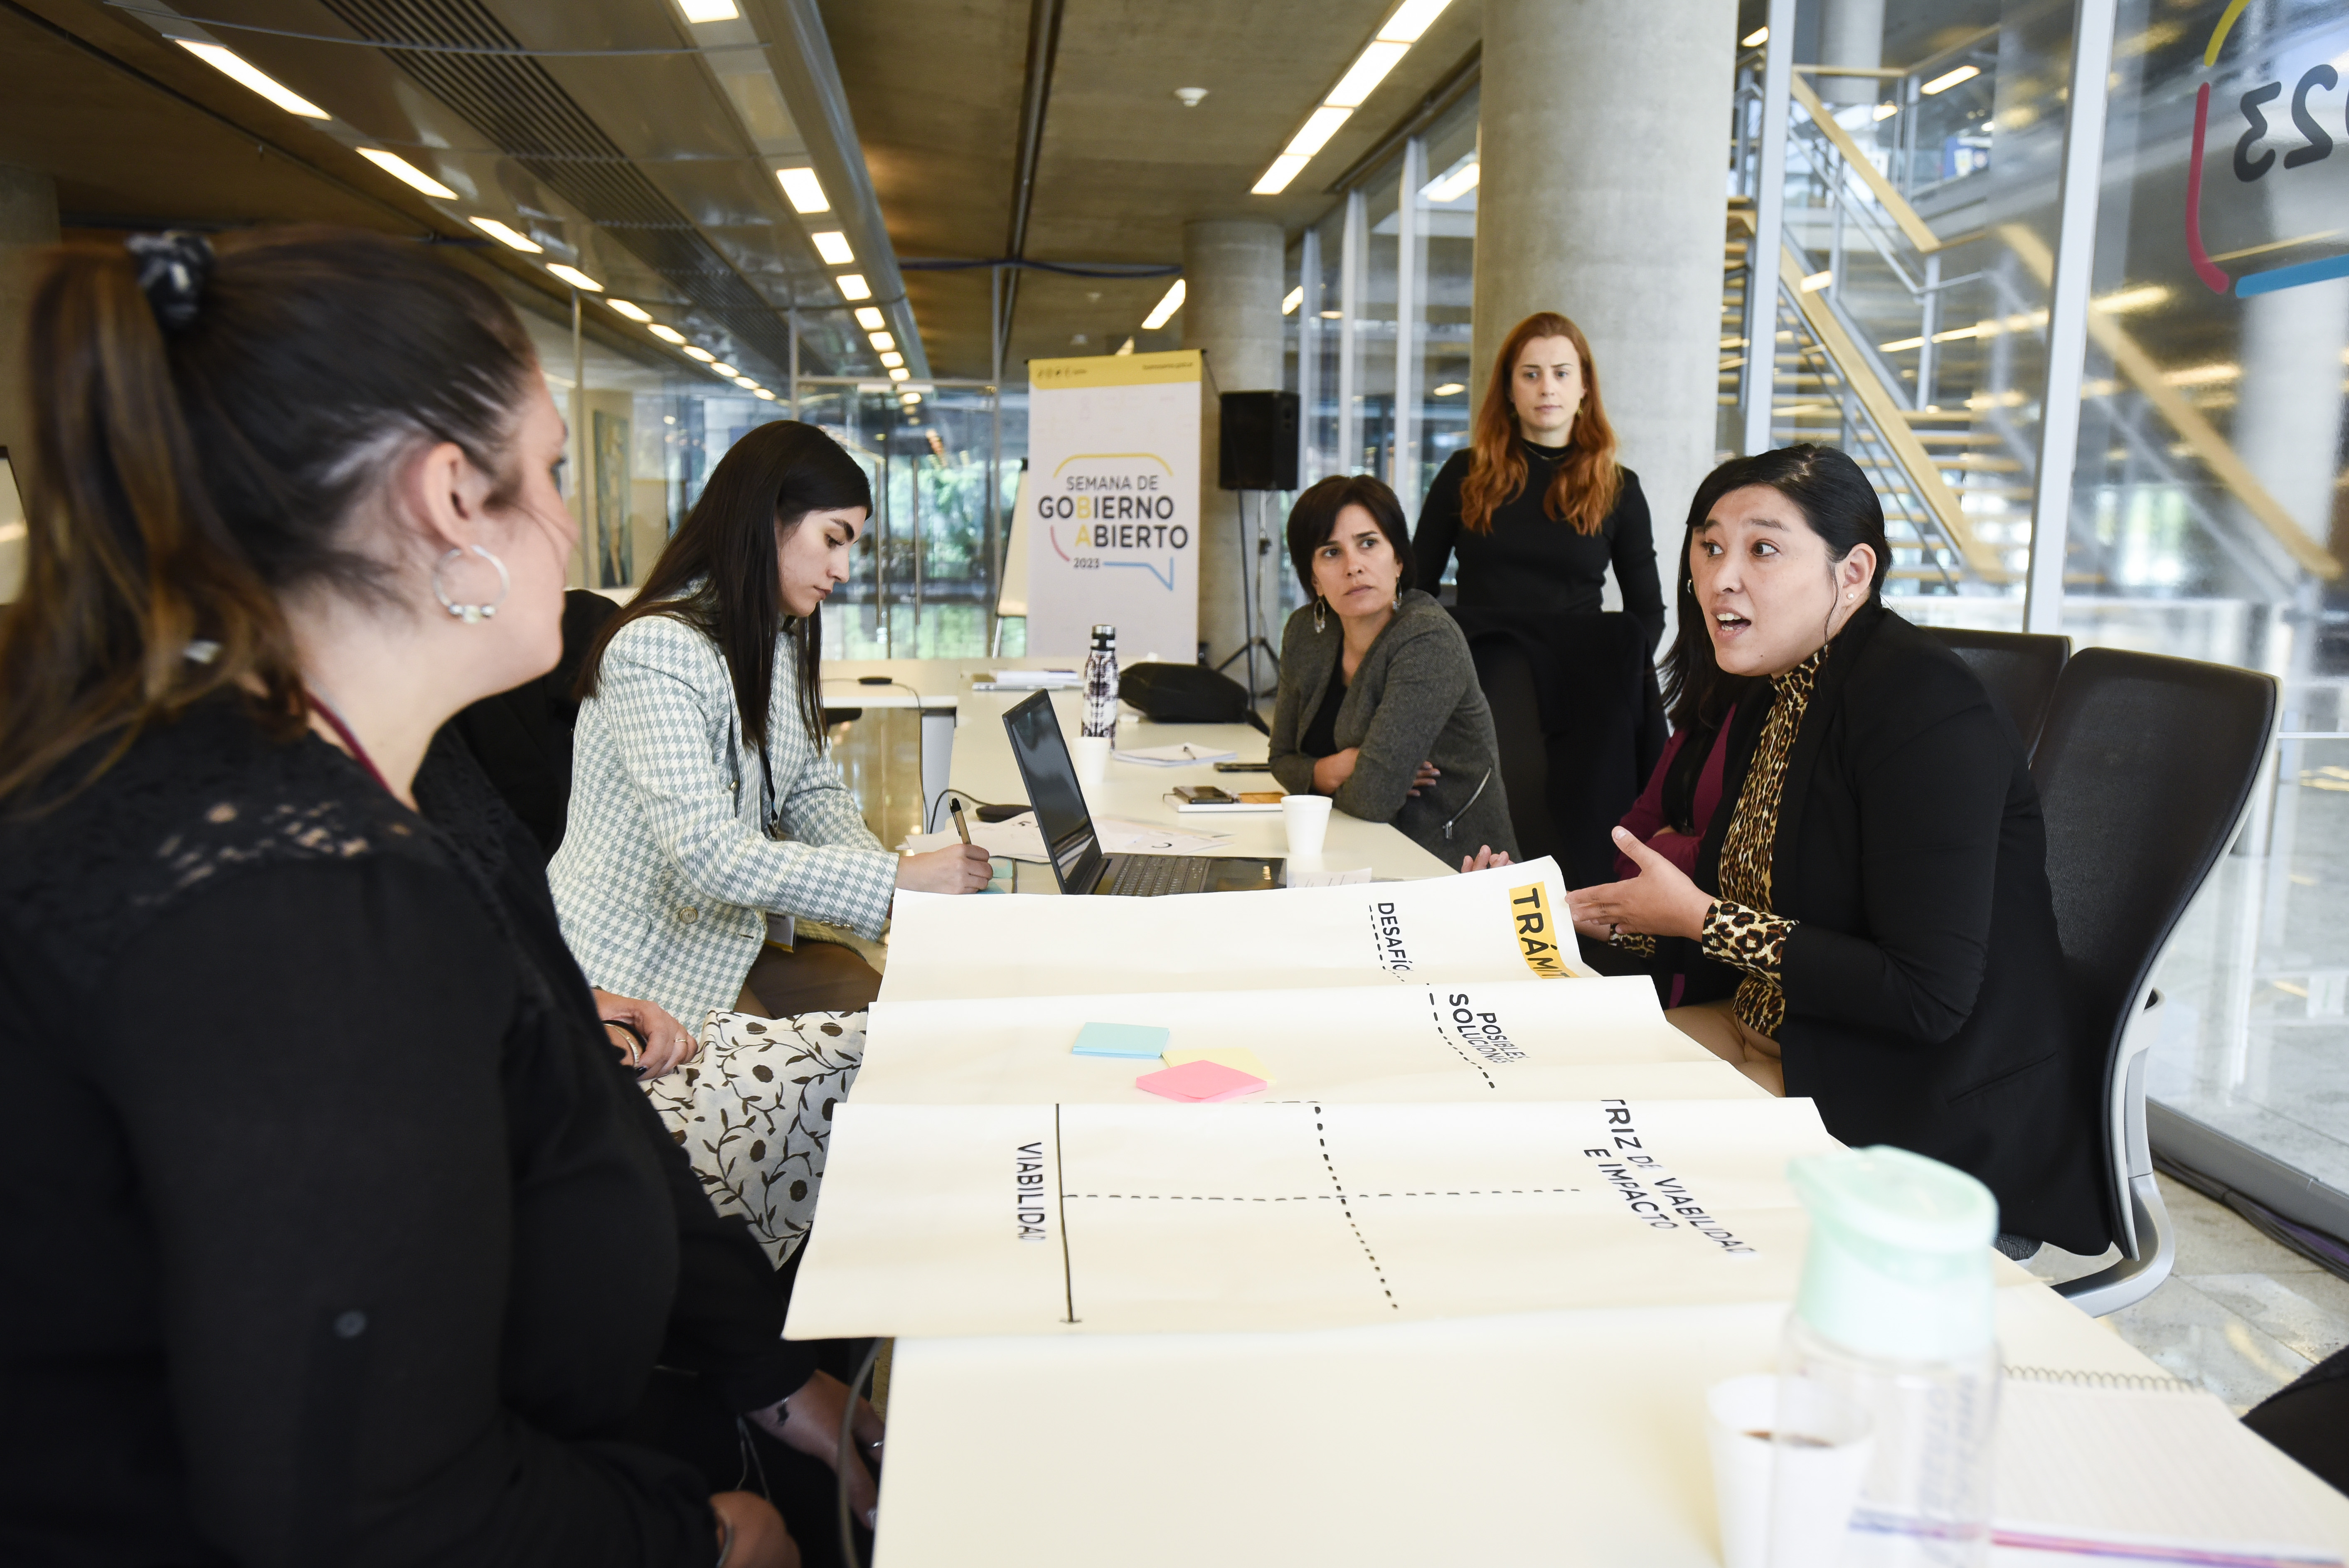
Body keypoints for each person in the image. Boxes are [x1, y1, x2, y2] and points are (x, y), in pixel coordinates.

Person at [0, 226, 873, 1567]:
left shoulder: (363, 785)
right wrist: (694, 1539)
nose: (577, 526)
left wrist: (765, 1376)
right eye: (556, 473)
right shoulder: (297, 905)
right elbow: (369, 1504)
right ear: (450, 500)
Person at [1566, 445, 2109, 1258]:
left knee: (1598, 1192)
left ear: (1852, 573)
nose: (1722, 578)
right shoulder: (1774, 689)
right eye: (1710, 546)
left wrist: (1700, 921)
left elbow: (1929, 994)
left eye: (1763, 547)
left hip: (1908, 1100)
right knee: (1554, 1100)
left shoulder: (1926, 708)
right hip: (1773, 1035)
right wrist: (1605, 920)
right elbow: (1726, 899)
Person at [551, 421, 990, 1026]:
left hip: (723, 934)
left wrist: (904, 893)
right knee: (826, 1068)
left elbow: (810, 788)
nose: (841, 569)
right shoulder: (654, 649)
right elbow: (712, 854)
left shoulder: (770, 639)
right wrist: (894, 879)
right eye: (832, 539)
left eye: (849, 548)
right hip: (638, 962)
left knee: (896, 1015)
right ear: (767, 517)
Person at [1268, 474, 1516, 870]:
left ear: (1398, 558)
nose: (1354, 567)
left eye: (1369, 544)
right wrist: (1344, 765)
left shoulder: (1427, 638)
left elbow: (1372, 799)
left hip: (1451, 867)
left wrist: (1323, 778)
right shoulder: (1305, 632)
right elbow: (1280, 759)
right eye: (1331, 553)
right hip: (1350, 853)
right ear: (1313, 578)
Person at [1413, 310, 1665, 653]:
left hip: (1575, 682)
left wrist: (1612, 680)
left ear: (1584, 386)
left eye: (1562, 374)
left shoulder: (1618, 487)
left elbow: (1648, 613)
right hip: (1476, 680)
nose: (1547, 388)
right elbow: (1415, 589)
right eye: (1531, 375)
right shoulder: (1465, 472)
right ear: (1509, 389)